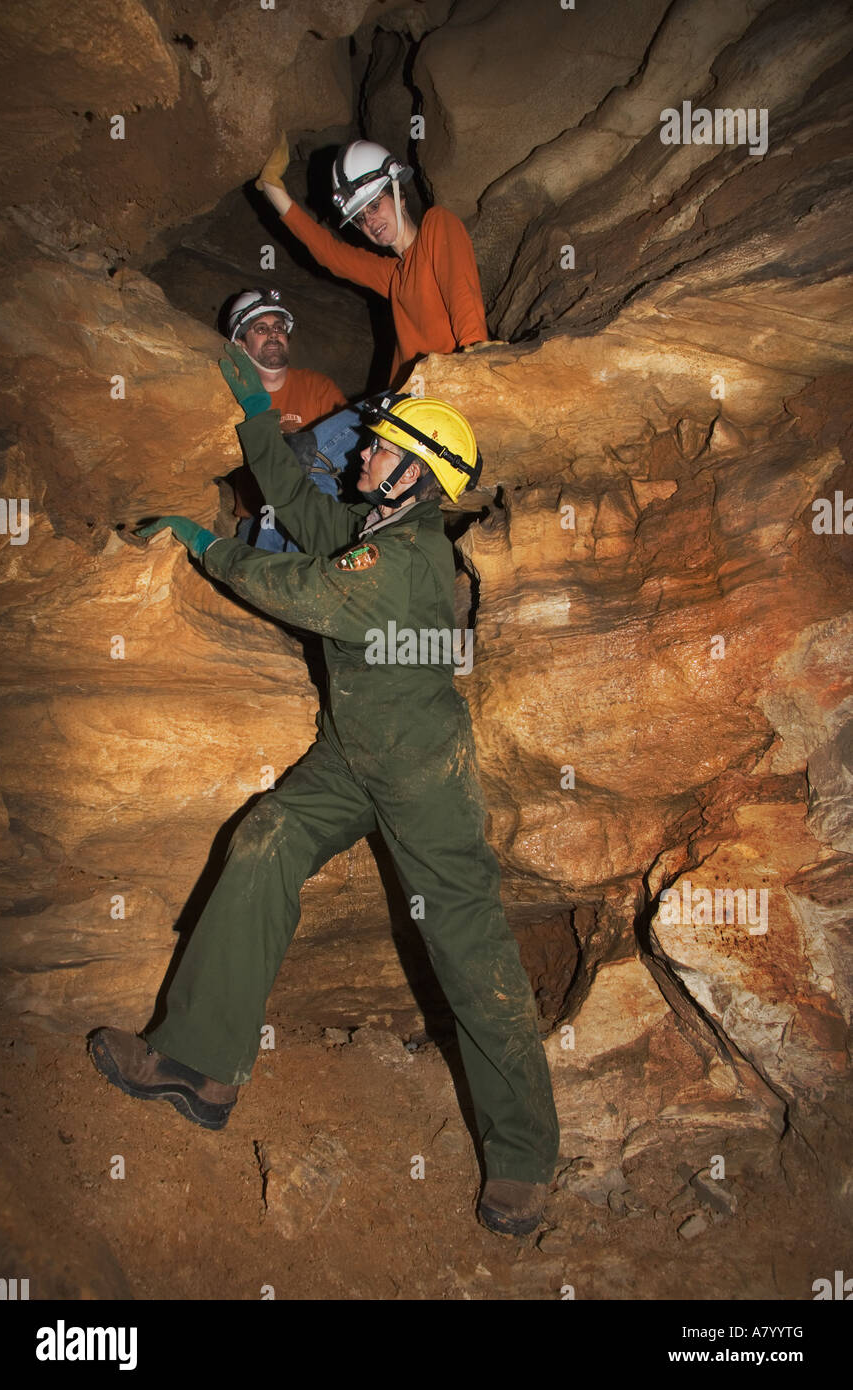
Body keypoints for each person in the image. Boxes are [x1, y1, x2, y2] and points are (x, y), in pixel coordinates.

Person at [89, 345, 560, 1238]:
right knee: (264, 840)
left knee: (466, 943)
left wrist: (205, 545)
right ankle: (200, 1064)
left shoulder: (403, 561)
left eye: (380, 451)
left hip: (420, 770)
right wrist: (256, 422)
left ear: (418, 477)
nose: (359, 455)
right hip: (351, 756)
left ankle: (525, 1159)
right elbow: (305, 512)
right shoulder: (377, 529)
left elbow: (290, 584)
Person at [257, 134, 488, 387]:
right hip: (402, 405)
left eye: (375, 206)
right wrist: (273, 189)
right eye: (360, 217)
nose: (369, 222)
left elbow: (462, 294)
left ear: (399, 195)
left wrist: (474, 359)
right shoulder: (394, 276)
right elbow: (331, 254)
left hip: (447, 393)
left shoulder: (437, 225)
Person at [226, 287, 348, 553]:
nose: (273, 334)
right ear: (241, 343)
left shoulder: (317, 387)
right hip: (260, 519)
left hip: (318, 511)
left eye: (279, 327)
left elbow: (349, 443)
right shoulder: (229, 397)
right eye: (260, 329)